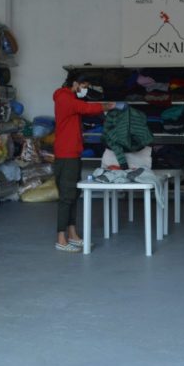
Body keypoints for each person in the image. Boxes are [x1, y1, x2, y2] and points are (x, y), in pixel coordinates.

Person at [53, 73, 119, 251]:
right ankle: (61, 239)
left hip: (73, 153)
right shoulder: (64, 98)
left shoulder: (69, 98)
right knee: (66, 197)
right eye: (84, 86)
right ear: (75, 84)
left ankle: (73, 234)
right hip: (66, 155)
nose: (85, 90)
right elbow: (86, 108)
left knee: (74, 195)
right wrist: (109, 105)